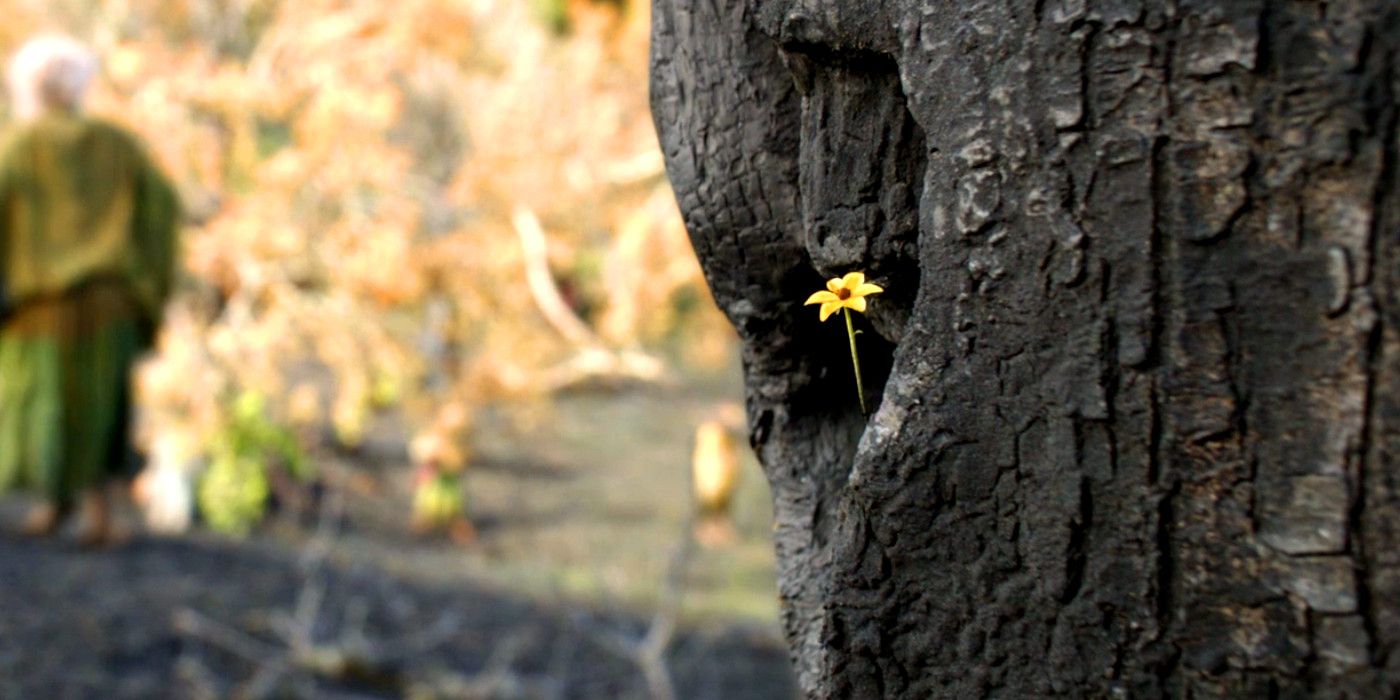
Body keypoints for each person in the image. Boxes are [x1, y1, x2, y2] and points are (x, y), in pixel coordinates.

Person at [0, 35, 180, 546]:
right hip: (109, 303)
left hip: (37, 307)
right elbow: (161, 214)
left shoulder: (17, 146)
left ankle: (78, 512)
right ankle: (77, 509)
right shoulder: (118, 145)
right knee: (100, 406)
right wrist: (150, 287)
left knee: (48, 402)